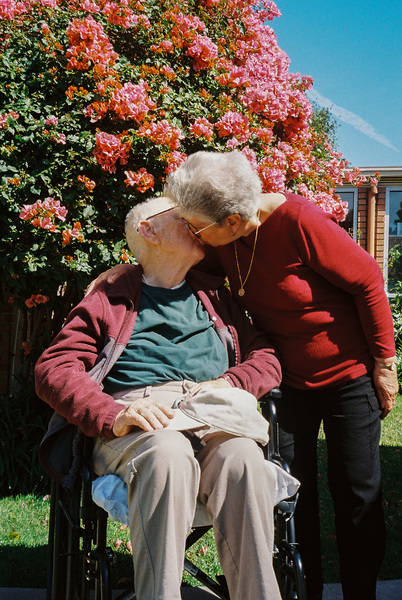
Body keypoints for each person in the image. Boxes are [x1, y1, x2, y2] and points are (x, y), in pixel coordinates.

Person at [99, 150, 398, 600]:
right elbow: (176, 265)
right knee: (293, 498)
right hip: (286, 384)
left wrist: (385, 364)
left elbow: (369, 282)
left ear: (234, 221)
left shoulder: (299, 222)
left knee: (357, 492)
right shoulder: (224, 238)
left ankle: (361, 593)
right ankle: (304, 593)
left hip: (347, 375)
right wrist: (129, 268)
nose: (195, 233)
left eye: (198, 226)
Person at [35, 195, 298, 600]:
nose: (195, 222)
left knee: (244, 459)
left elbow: (265, 357)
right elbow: (54, 368)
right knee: (168, 453)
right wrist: (112, 414)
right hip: (138, 420)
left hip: (210, 412)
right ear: (149, 230)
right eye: (181, 216)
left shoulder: (212, 295)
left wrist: (230, 382)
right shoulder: (110, 298)